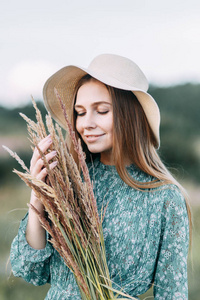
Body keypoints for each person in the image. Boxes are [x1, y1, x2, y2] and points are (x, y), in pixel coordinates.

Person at [10, 54, 191, 299]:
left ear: (131, 115)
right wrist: (38, 197)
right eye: (80, 112)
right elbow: (30, 270)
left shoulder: (164, 198)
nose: (86, 123)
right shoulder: (70, 183)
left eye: (101, 111)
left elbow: (172, 293)